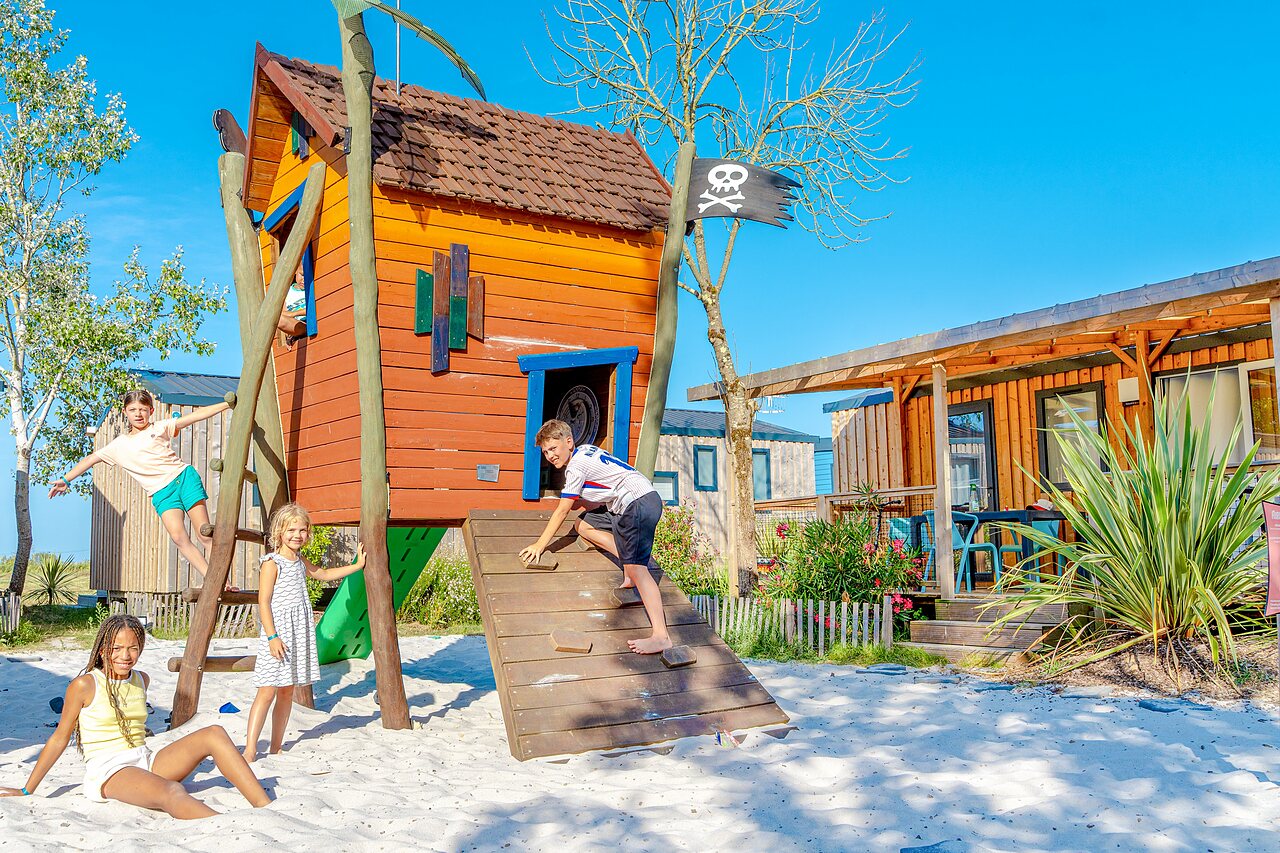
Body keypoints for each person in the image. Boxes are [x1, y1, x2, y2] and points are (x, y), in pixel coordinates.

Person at [0, 615, 271, 818]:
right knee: (172, 791)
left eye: (132, 648)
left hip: (146, 759)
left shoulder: (142, 679)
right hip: (110, 771)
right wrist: (27, 789)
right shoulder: (84, 685)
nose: (125, 655)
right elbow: (59, 738)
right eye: (116, 648)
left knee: (214, 733)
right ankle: (222, 824)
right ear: (103, 649)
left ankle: (265, 810)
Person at [49, 389, 230, 588]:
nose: (138, 414)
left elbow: (195, 417)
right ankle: (213, 579)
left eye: (143, 409)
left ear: (151, 411)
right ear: (125, 412)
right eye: (133, 409)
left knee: (204, 534)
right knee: (178, 537)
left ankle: (225, 580)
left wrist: (226, 404)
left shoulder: (159, 427)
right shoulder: (118, 445)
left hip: (183, 478)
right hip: (162, 493)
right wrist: (66, 479)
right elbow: (91, 459)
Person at [519, 420, 669, 654]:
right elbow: (596, 499)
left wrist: (540, 545)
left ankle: (661, 636)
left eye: (554, 448)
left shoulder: (576, 468)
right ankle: (629, 566)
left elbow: (562, 510)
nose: (550, 455)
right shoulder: (587, 450)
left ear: (568, 442)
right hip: (627, 504)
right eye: (546, 451)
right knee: (583, 524)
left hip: (638, 504)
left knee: (641, 570)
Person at [243, 503, 365, 763]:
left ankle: (276, 746)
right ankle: (250, 748)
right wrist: (272, 637)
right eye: (291, 530)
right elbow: (264, 601)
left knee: (287, 691)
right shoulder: (272, 563)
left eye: (302, 530)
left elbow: (323, 574)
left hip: (298, 632)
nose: (297, 535)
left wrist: (357, 565)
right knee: (267, 691)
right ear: (280, 533)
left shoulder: (299, 560)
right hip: (278, 634)